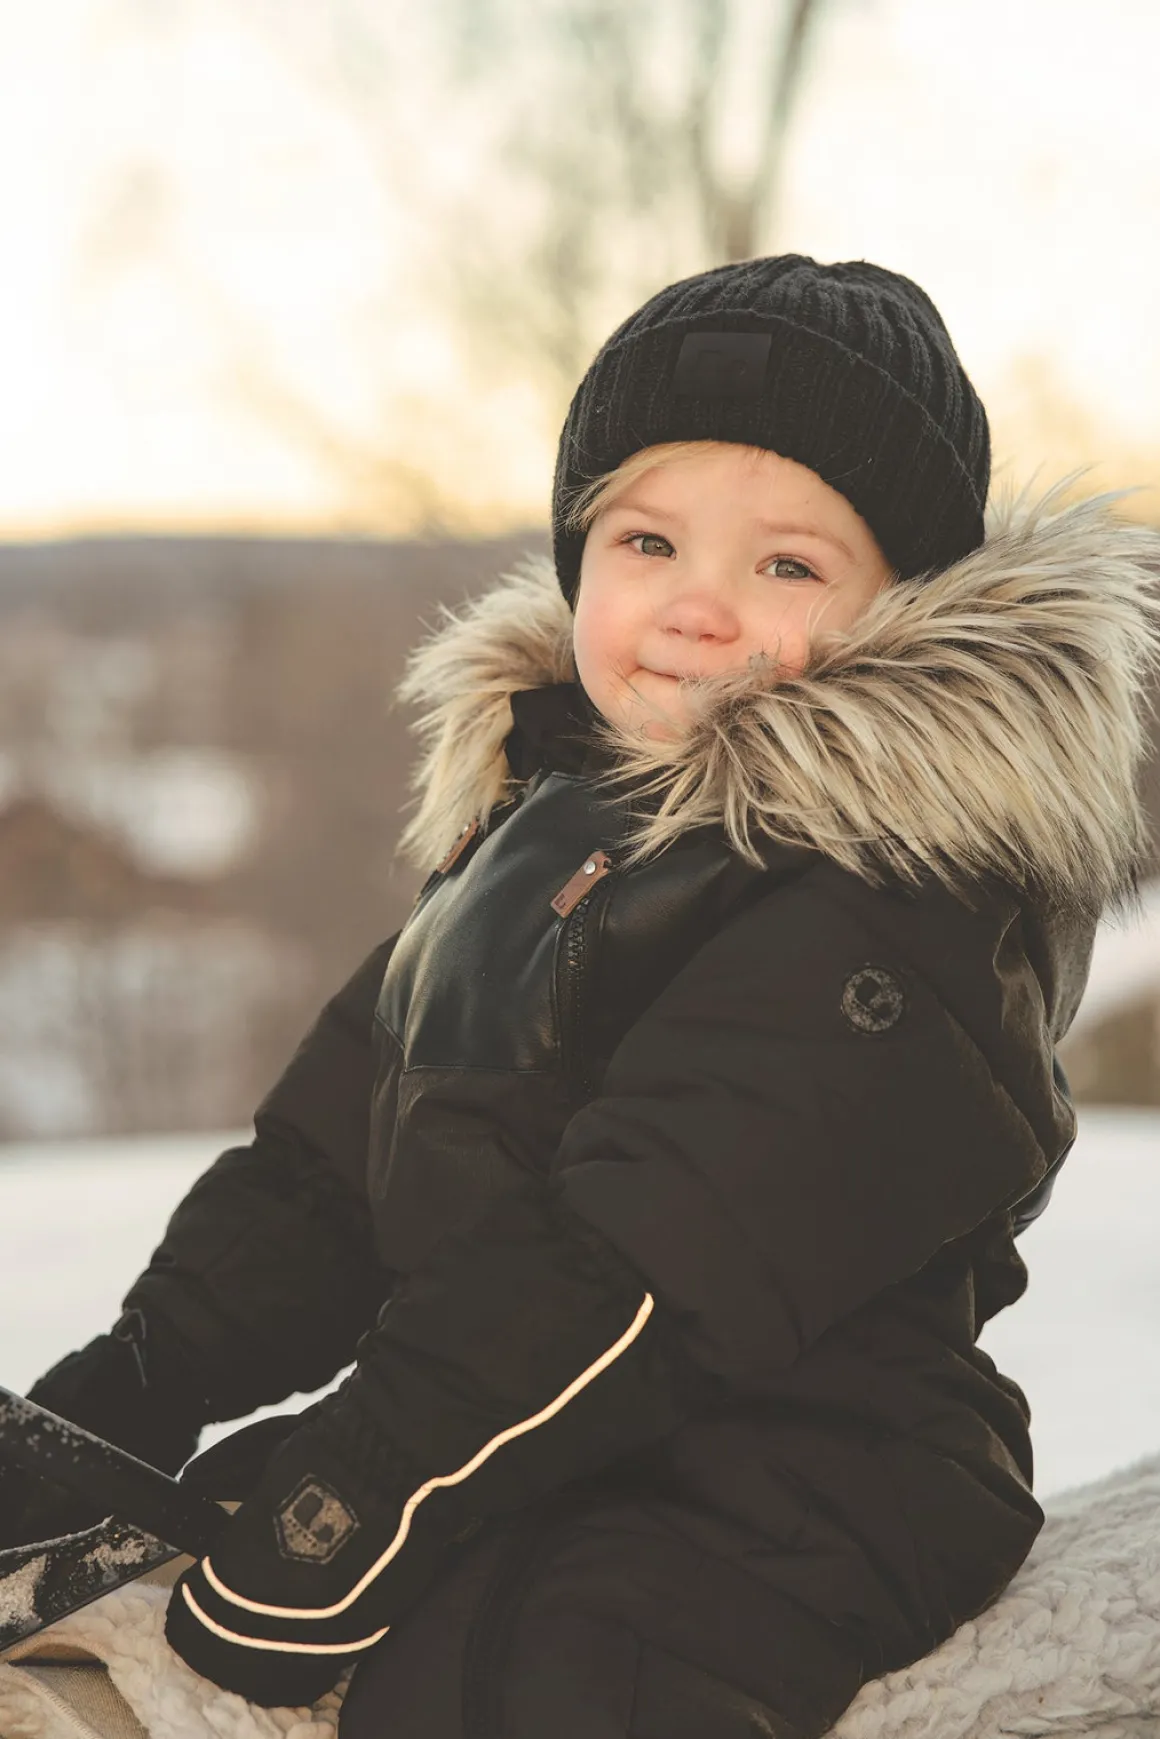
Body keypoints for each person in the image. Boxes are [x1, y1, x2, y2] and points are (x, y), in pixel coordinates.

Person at [5, 254, 1160, 1739]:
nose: (697, 606)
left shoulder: (900, 892)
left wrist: (359, 1497)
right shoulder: (544, 834)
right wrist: (135, 1383)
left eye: (788, 566)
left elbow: (647, 1254)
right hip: (514, 1428)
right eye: (648, 539)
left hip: (802, 1476)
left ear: (903, 606)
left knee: (538, 1680)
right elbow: (324, 1171)